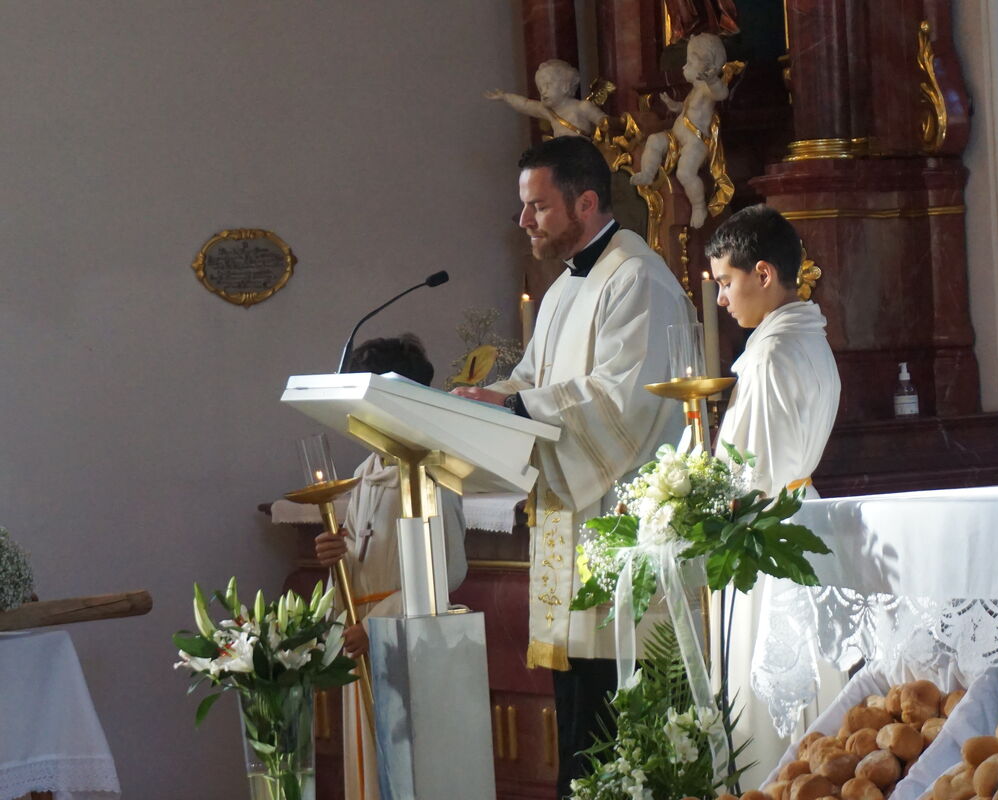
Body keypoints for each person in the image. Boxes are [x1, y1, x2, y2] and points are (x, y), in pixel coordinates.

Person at [452, 135, 695, 796]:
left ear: (585, 203)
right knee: (580, 721)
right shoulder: (563, 288)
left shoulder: (637, 278)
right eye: (523, 208)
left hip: (622, 530)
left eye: (537, 206)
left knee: (616, 722)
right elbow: (531, 383)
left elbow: (621, 401)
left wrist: (514, 405)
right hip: (574, 526)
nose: (524, 221)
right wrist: (480, 400)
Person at [705, 204, 841, 789]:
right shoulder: (809, 339)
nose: (720, 299)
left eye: (725, 282)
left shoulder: (768, 356)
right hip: (800, 521)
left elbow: (748, 479)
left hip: (762, 541)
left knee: (763, 712)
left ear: (762, 273)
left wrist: (689, 505)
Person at [313, 334, 468, 800]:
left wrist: (376, 626)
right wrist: (335, 558)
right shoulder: (365, 472)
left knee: (407, 770)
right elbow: (361, 559)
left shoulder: (429, 474)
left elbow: (446, 571)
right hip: (362, 638)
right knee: (369, 770)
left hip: (404, 642)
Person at [631, 33, 730, 229]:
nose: (684, 67)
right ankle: (648, 173)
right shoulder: (695, 90)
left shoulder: (707, 89)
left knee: (685, 172)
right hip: (676, 138)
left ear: (707, 67)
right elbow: (685, 109)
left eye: (690, 63)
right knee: (653, 140)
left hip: (696, 143)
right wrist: (673, 105)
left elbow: (721, 94)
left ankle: (698, 206)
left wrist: (713, 81)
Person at [485, 59, 608, 139]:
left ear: (565, 86)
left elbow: (605, 123)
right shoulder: (548, 111)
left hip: (582, 153)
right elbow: (525, 105)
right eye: (540, 88)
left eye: (548, 86)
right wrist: (505, 97)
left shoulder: (582, 107)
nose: (543, 92)